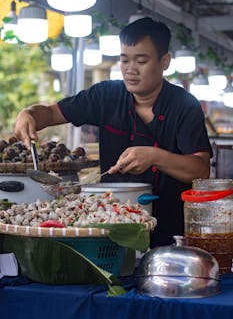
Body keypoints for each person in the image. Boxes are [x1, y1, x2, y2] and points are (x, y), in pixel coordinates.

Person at [14, 17, 212, 248]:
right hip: (109, 225)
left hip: (169, 231)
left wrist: (154, 156)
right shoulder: (106, 95)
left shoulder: (184, 105)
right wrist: (29, 114)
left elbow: (201, 169)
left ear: (164, 62)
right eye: (124, 60)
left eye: (141, 60)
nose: (130, 69)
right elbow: (51, 112)